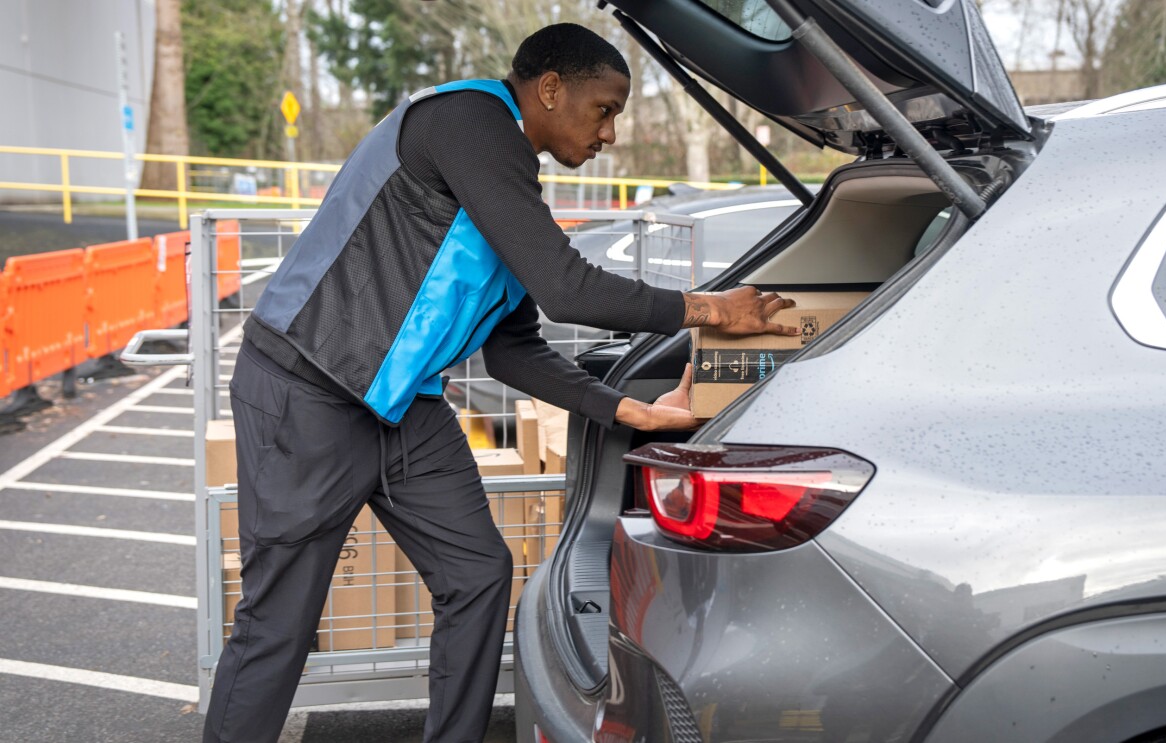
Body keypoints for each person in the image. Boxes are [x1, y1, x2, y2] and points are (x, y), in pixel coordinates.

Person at [203, 23, 798, 743]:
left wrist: (622, 405)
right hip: (309, 391)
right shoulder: (468, 122)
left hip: (400, 409)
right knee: (279, 623)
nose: (609, 132)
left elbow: (512, 348)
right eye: (604, 108)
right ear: (551, 88)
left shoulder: (507, 173)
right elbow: (565, 287)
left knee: (479, 574)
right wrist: (706, 309)